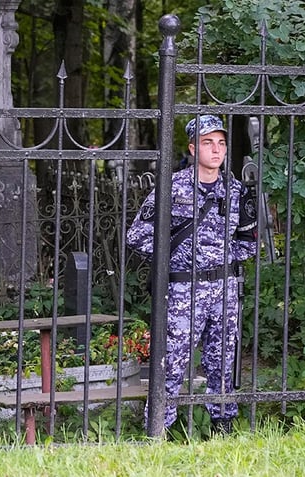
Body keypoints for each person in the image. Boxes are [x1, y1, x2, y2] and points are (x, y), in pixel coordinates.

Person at [127, 115, 257, 434]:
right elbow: (137, 235)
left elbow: (248, 240)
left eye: (221, 143)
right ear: (192, 147)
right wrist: (179, 259)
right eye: (208, 142)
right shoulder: (172, 187)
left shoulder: (237, 190)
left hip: (225, 290)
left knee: (224, 363)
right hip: (184, 289)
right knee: (171, 363)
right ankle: (158, 430)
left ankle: (222, 428)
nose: (216, 149)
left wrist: (223, 261)